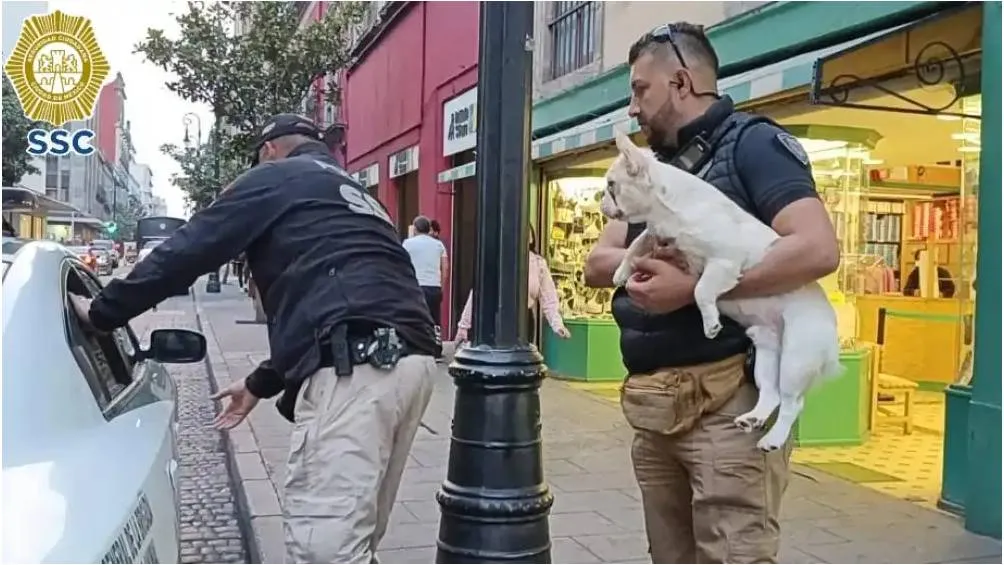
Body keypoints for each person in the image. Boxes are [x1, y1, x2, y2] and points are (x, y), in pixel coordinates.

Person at [68, 113, 440, 564]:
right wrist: (261, 383)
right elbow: (338, 304)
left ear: (268, 151)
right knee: (355, 540)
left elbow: (189, 248)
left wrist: (106, 312)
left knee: (326, 550)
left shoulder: (275, 178)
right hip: (412, 365)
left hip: (356, 373)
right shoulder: (355, 193)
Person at [584, 24, 839, 564]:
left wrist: (697, 287)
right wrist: (647, 270)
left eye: (639, 90)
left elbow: (817, 249)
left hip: (729, 409)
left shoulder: (755, 145)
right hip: (653, 410)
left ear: (680, 82)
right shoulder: (645, 170)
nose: (632, 108)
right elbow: (599, 262)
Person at [455, 225, 570, 344]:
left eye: (526, 232)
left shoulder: (538, 264)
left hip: (524, 322)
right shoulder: (498, 259)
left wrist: (557, 325)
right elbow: (478, 292)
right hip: (498, 319)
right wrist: (464, 326)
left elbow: (549, 297)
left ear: (531, 238)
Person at [402, 215, 448, 337]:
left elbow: (402, 264)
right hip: (434, 287)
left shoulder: (407, 244)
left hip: (414, 287)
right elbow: (445, 267)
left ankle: (416, 343)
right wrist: (441, 287)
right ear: (429, 229)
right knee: (434, 317)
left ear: (415, 229)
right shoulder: (439, 245)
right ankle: (437, 342)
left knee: (414, 316)